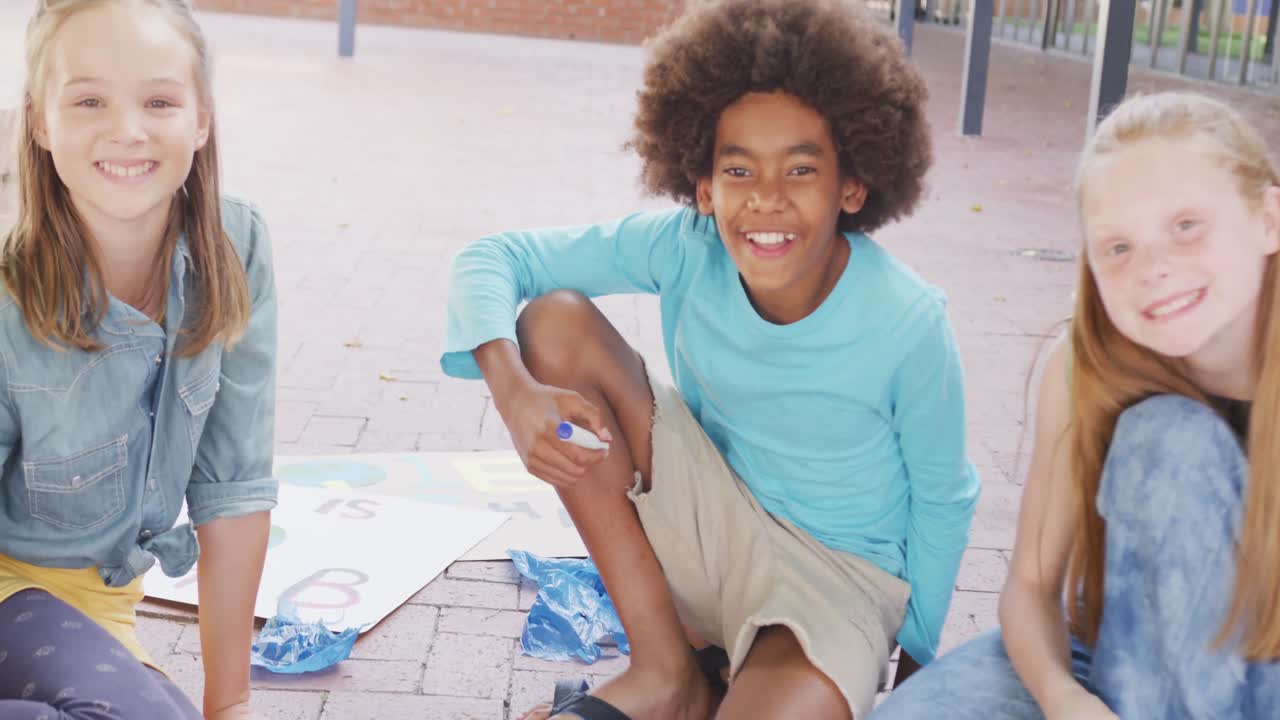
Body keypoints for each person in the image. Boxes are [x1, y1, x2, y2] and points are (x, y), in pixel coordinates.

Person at [441, 1, 980, 717]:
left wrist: (915, 673)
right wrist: (512, 394)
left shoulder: (908, 322)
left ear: (852, 186)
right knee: (555, 321)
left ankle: (718, 686)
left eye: (800, 170)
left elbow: (945, 499)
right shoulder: (686, 244)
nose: (765, 200)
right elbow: (495, 257)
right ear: (703, 186)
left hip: (836, 584)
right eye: (738, 169)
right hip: (709, 521)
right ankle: (666, 671)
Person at [873, 91, 1280, 719]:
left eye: (1186, 227)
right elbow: (1031, 588)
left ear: (1268, 219)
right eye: (1119, 247)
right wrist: (1065, 701)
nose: (1154, 267)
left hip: (1261, 667)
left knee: (1167, 440)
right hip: (1112, 647)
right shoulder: (1087, 362)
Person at [0, 1, 279, 717]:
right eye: (88, 99)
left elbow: (234, 487)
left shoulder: (235, 243)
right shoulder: (7, 288)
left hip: (95, 614)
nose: (127, 129)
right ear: (40, 121)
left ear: (202, 118)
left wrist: (230, 705)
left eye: (158, 99)